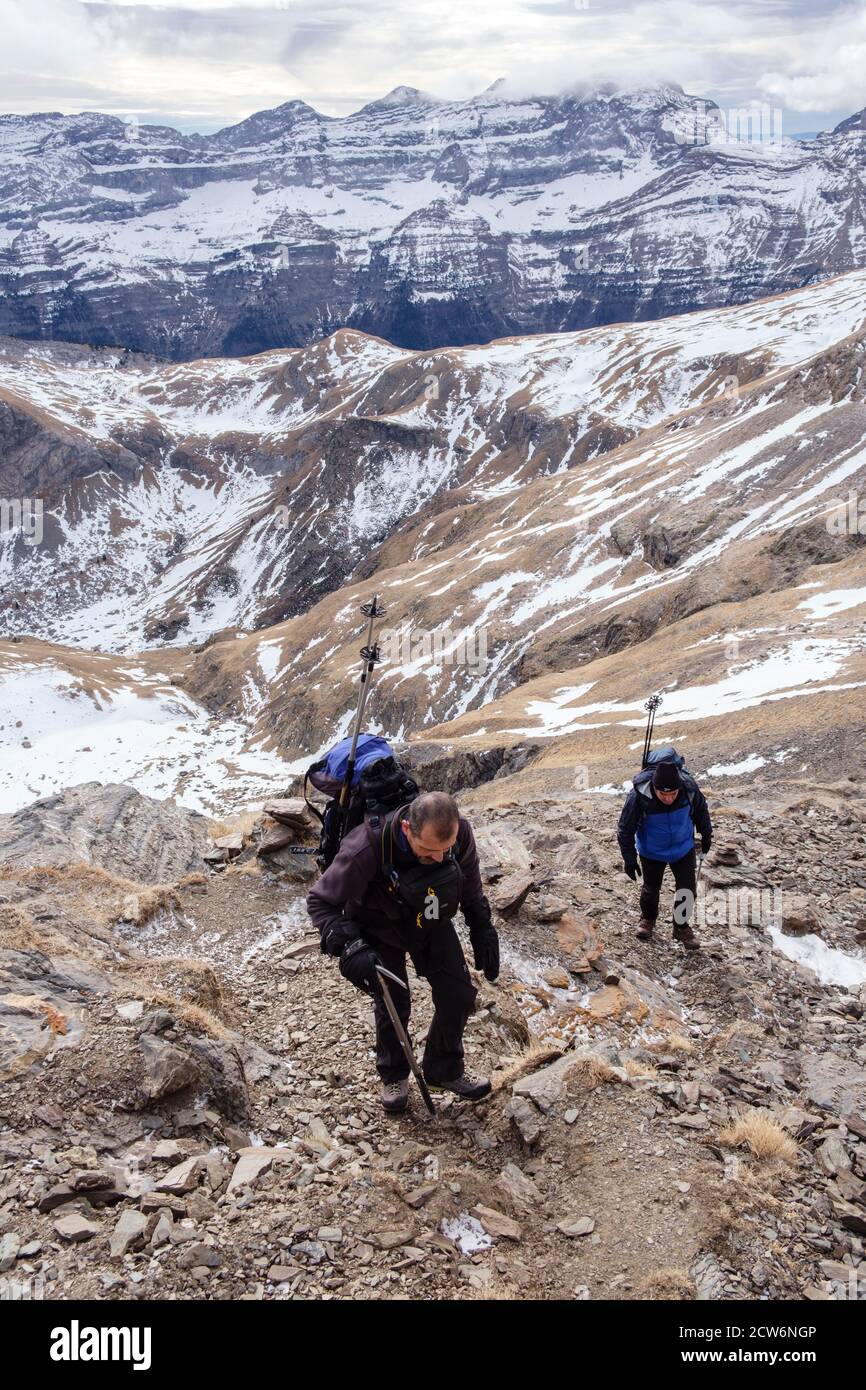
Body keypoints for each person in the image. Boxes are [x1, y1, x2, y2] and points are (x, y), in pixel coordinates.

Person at [306, 790, 500, 1113]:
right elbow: (320, 901)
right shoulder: (366, 846)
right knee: (393, 1001)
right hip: (379, 925)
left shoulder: (459, 832)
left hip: (431, 915)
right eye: (428, 851)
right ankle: (394, 1075)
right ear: (408, 828)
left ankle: (443, 1070)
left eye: (445, 851)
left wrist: (482, 926)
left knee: (459, 994)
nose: (438, 858)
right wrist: (349, 944)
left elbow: (470, 883)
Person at [616, 759, 712, 951]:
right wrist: (629, 859)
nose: (668, 798)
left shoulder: (689, 789)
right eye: (663, 794)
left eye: (673, 794)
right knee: (651, 888)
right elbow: (625, 829)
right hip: (652, 850)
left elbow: (701, 811)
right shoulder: (638, 797)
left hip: (683, 848)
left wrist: (706, 834)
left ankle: (681, 927)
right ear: (654, 787)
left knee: (687, 890)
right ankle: (648, 920)